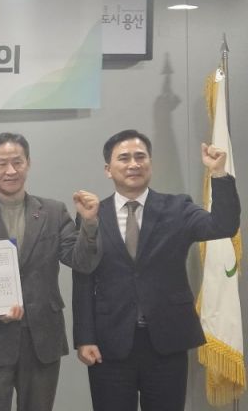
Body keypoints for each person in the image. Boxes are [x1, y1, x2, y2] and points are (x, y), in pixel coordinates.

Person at [72, 129, 241, 411]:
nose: (133, 164)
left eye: (140, 157)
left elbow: (223, 226)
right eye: (124, 158)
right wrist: (84, 338)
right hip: (110, 342)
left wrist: (219, 174)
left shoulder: (178, 208)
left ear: (151, 163)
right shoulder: (92, 215)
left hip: (167, 339)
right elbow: (83, 278)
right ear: (108, 169)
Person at [0, 132, 101, 411]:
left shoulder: (54, 211)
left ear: (28, 164)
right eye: (2, 163)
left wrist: (89, 224)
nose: (11, 170)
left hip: (42, 337)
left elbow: (80, 261)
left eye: (17, 162)